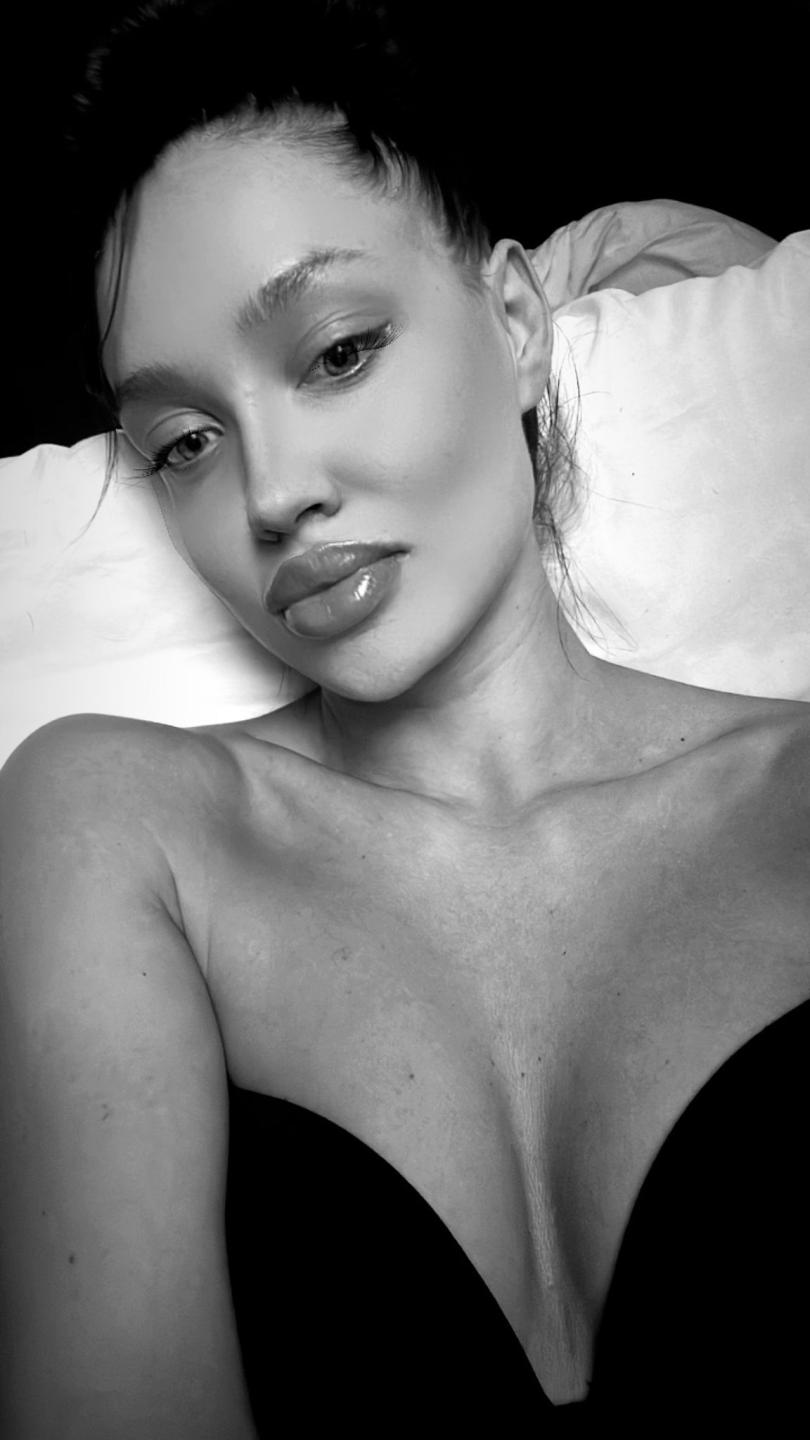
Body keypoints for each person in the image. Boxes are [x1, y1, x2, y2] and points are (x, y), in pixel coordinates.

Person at [1, 2, 808, 1434]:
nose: (271, 493)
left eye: (335, 352)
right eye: (184, 442)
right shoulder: (117, 829)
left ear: (514, 324)